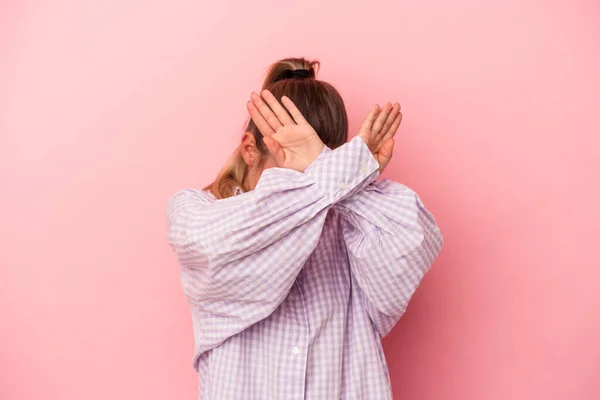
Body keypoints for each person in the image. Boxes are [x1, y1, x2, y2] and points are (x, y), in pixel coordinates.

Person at [166, 57, 443, 399]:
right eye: (290, 171)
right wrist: (340, 172)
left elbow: (413, 241)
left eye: (320, 161)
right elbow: (219, 250)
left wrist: (334, 172)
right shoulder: (197, 210)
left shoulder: (352, 221)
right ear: (250, 150)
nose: (308, 183)